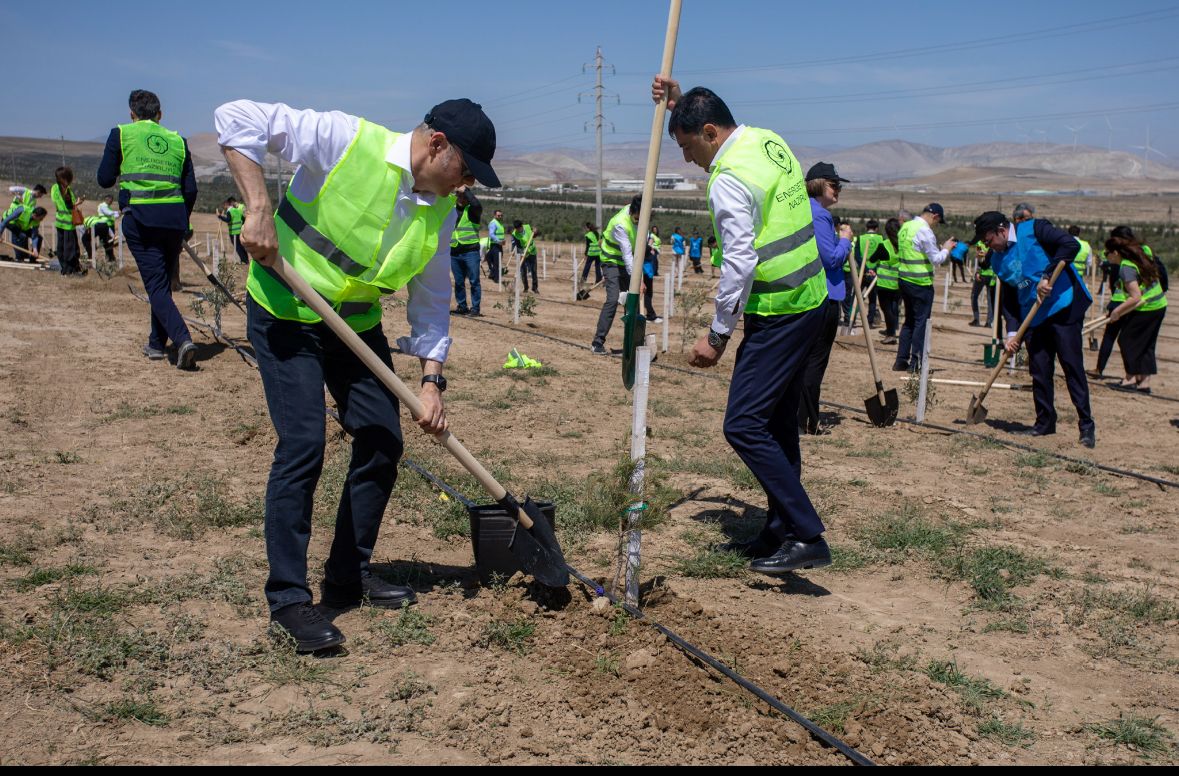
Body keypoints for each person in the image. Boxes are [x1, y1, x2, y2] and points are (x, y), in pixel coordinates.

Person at [215, 95, 500, 652]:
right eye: (466, 170)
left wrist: (431, 381)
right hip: (286, 308)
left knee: (382, 439)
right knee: (303, 444)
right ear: (437, 144)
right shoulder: (347, 140)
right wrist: (258, 207)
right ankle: (289, 602)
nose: (466, 184)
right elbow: (236, 117)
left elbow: (431, 298)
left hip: (355, 324)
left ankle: (347, 575)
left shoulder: (441, 210)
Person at [654, 78, 832, 575]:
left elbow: (739, 261)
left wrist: (717, 335)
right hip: (811, 300)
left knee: (743, 424)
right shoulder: (767, 140)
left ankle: (807, 534)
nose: (688, 158)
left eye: (688, 146)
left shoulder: (727, 179)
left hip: (778, 311)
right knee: (777, 423)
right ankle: (779, 532)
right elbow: (708, 113)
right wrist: (678, 101)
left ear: (710, 133)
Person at [972, 210, 1094, 447]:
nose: (988, 246)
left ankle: (1086, 426)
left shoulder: (1035, 229)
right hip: (1033, 316)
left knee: (1071, 366)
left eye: (989, 240)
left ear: (1001, 230)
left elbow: (1070, 245)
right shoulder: (996, 260)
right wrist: (1012, 332)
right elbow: (1009, 299)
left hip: (1063, 306)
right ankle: (1045, 423)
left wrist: (1047, 276)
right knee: (1039, 370)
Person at [98, 90, 199, 368]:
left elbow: (104, 179)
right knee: (162, 284)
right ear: (160, 114)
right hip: (174, 222)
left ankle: (183, 339)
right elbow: (191, 190)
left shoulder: (121, 134)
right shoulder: (178, 141)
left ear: (132, 114)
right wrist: (183, 221)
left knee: (156, 286)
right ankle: (156, 344)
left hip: (141, 220)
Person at [796, 162, 851, 435]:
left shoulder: (802, 210)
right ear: (818, 184)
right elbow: (830, 259)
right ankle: (807, 421)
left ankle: (798, 417)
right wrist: (845, 240)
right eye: (834, 185)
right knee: (815, 361)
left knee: (803, 358)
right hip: (824, 295)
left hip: (808, 294)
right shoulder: (819, 215)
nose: (838, 190)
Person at [893, 203, 956, 372]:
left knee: (909, 321)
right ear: (935, 216)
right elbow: (936, 259)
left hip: (904, 280)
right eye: (938, 221)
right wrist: (946, 249)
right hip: (920, 283)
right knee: (921, 323)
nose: (936, 225)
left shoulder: (906, 227)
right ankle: (916, 363)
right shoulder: (924, 231)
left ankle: (901, 360)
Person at [1104, 235, 1167, 393]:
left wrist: (1117, 312)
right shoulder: (1139, 254)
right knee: (1147, 343)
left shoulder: (1126, 267)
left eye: (1107, 253)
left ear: (1115, 253)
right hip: (1158, 304)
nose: (1106, 257)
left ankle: (1130, 379)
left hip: (1148, 306)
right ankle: (1144, 382)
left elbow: (1135, 297)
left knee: (1126, 340)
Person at [591, 195, 641, 355]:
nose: (638, 222)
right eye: (636, 218)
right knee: (613, 299)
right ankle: (597, 342)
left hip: (627, 263)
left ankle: (632, 344)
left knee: (632, 302)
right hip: (611, 261)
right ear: (632, 212)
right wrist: (637, 280)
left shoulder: (642, 217)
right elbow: (627, 253)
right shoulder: (620, 224)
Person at [450, 187, 483, 316]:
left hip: (470, 252)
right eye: (459, 195)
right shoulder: (451, 211)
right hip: (454, 252)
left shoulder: (473, 212)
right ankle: (462, 306)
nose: (462, 198)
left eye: (464, 196)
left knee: (474, 281)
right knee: (459, 282)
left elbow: (477, 204)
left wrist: (466, 190)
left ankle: (475, 309)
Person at [51, 167, 85, 276]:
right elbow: (69, 206)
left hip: (59, 222)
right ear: (66, 178)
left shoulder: (54, 188)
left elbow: (57, 202)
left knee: (61, 247)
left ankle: (65, 269)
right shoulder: (67, 190)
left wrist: (75, 203)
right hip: (68, 224)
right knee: (70, 249)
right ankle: (69, 270)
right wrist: (77, 203)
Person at [873, 217, 902, 344]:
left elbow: (873, 259)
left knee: (887, 309)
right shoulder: (903, 245)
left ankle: (891, 335)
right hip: (899, 282)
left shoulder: (884, 245)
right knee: (894, 308)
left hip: (885, 283)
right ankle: (891, 329)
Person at [2, 184, 48, 260]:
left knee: (27, 236)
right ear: (38, 192)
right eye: (41, 195)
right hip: (13, 217)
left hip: (23, 220)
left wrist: (35, 248)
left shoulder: (34, 201)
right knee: (20, 235)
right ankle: (19, 257)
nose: (40, 197)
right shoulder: (25, 191)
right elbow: (11, 188)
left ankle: (30, 257)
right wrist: (18, 196)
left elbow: (31, 213)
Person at [855, 219, 884, 327]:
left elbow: (857, 256)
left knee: (857, 298)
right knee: (872, 299)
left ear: (866, 228)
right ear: (876, 229)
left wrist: (866, 269)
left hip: (862, 273)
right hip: (874, 274)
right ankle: (869, 321)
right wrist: (874, 269)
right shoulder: (881, 239)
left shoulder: (861, 238)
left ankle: (851, 319)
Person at [81, 195, 118, 265]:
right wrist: (113, 236)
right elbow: (107, 224)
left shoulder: (85, 221)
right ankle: (111, 259)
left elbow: (86, 231)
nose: (111, 202)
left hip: (98, 227)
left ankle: (90, 256)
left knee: (84, 239)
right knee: (106, 242)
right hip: (105, 226)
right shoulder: (102, 207)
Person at [969, 241, 996, 328]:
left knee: (974, 296)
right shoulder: (995, 242)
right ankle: (989, 322)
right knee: (990, 300)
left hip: (982, 275)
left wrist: (977, 272)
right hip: (992, 275)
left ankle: (976, 320)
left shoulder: (980, 243)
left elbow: (979, 258)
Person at [218, 197, 249, 263]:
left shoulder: (229, 211)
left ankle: (244, 260)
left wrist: (220, 217)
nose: (224, 208)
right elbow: (242, 218)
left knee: (237, 247)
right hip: (239, 231)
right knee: (241, 246)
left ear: (226, 204)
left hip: (233, 232)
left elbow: (228, 220)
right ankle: (246, 259)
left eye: (224, 206)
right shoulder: (236, 210)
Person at [511, 219, 538, 293]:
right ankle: (526, 287)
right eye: (516, 229)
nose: (518, 230)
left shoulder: (527, 227)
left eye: (519, 228)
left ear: (522, 226)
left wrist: (535, 231)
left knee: (534, 270)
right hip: (523, 252)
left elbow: (535, 233)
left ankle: (535, 288)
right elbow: (517, 245)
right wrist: (522, 252)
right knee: (523, 271)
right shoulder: (515, 234)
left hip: (532, 251)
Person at [643, 226, 662, 323]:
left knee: (649, 293)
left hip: (648, 269)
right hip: (645, 270)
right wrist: (650, 245)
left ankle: (649, 314)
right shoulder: (643, 242)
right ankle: (651, 315)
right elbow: (644, 251)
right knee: (647, 293)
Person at [486, 209, 505, 282]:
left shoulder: (499, 223)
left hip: (499, 245)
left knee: (497, 261)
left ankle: (492, 275)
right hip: (495, 245)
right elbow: (491, 234)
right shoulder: (493, 223)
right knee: (497, 262)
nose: (500, 216)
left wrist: (502, 241)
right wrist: (499, 241)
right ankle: (496, 279)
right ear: (494, 215)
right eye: (498, 215)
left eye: (501, 215)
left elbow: (499, 234)